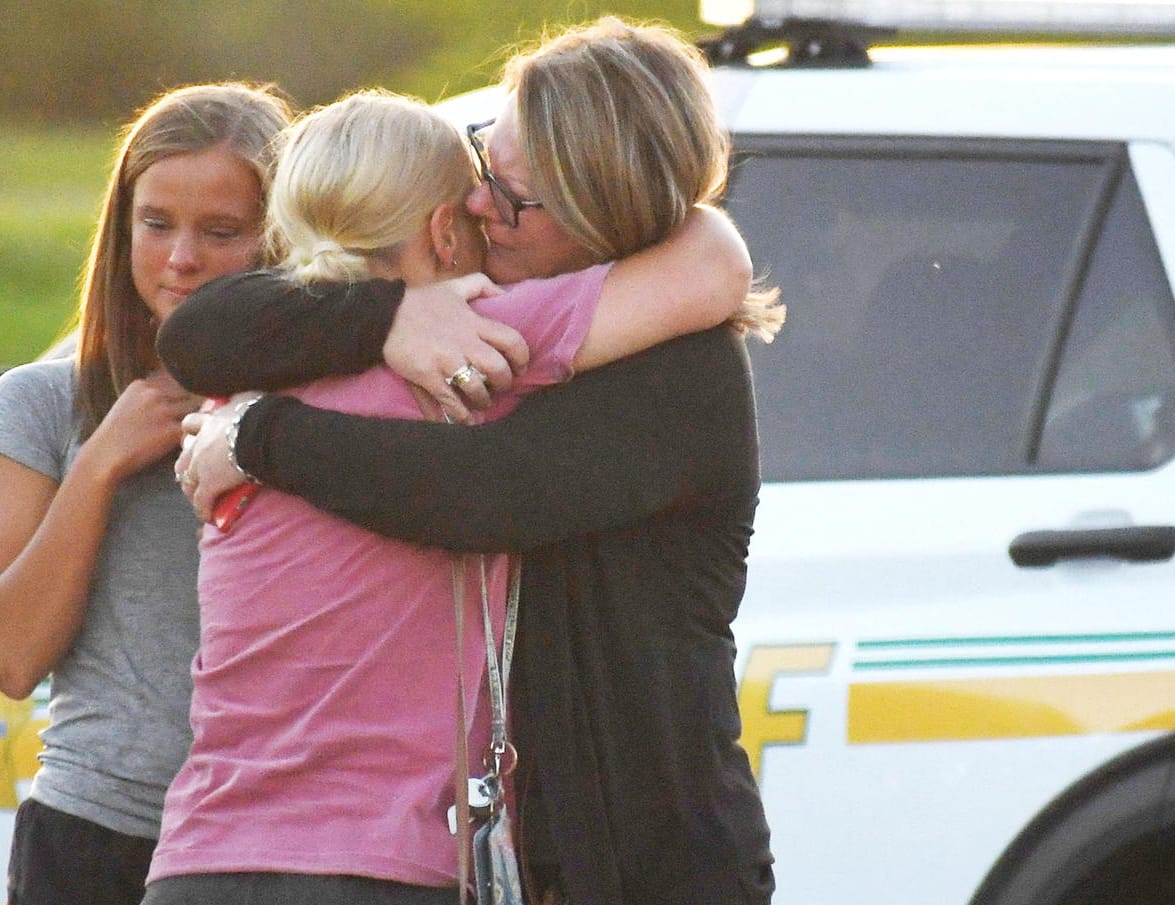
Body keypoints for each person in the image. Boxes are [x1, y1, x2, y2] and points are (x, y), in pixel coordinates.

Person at [158, 18, 783, 905]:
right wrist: (387, 318)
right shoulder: (469, 320)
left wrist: (260, 435)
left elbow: (486, 491)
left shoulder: (679, 372)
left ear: (604, 215)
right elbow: (201, 331)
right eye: (483, 162)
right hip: (509, 866)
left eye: (514, 199)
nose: (479, 206)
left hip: (650, 870)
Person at [0, 83, 291, 905]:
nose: (180, 258)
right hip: (96, 838)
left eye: (222, 231)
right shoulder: (42, 402)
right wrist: (97, 466)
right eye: (156, 222)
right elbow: (14, 658)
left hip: (279, 843)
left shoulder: (323, 411)